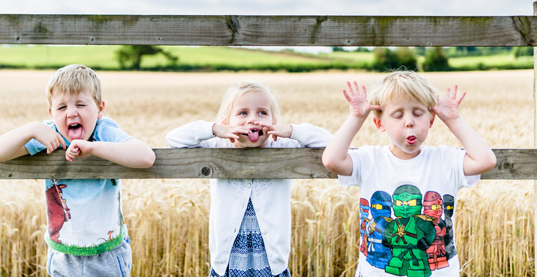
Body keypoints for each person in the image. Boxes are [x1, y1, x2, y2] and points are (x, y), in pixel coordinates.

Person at [0, 64, 156, 277]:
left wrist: (93, 149)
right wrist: (32, 129)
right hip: (63, 252)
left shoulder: (104, 132)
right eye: (61, 107)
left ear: (100, 108)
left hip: (107, 253)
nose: (72, 113)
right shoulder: (51, 135)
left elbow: (146, 157)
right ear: (51, 113)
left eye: (81, 104)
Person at [322, 71, 496, 277]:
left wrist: (453, 119)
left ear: (431, 120)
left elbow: (486, 160)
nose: (409, 122)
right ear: (379, 124)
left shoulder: (444, 160)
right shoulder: (370, 160)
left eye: (418, 113)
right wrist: (356, 117)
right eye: (398, 115)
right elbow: (332, 160)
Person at [165, 80, 332, 277]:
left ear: (273, 122)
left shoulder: (282, 146)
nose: (253, 119)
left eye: (262, 112)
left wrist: (291, 130)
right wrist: (214, 129)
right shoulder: (219, 145)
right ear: (226, 123)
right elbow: (172, 139)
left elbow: (330, 142)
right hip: (228, 259)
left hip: (271, 262)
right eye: (242, 113)